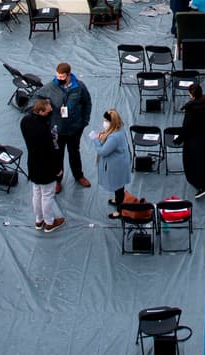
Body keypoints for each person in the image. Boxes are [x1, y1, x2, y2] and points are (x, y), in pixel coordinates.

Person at [20, 98, 65, 232]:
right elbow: (51, 151)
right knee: (47, 195)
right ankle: (50, 222)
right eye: (48, 110)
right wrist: (58, 169)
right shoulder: (43, 131)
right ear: (41, 111)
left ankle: (39, 220)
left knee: (36, 194)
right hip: (46, 168)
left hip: (33, 164)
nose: (51, 111)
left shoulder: (25, 122)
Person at [46, 62, 92, 192]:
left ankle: (78, 176)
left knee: (74, 153)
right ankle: (57, 180)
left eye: (62, 77)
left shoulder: (79, 87)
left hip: (74, 128)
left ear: (69, 75)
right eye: (57, 76)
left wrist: (85, 121)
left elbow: (87, 103)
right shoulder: (52, 87)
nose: (59, 79)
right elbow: (41, 99)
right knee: (57, 155)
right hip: (57, 129)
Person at [175, 82, 205, 198]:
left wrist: (179, 139)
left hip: (196, 140)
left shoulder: (192, 110)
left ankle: (201, 185)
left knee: (195, 163)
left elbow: (187, 127)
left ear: (192, 95)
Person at [94, 109, 131, 218]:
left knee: (119, 188)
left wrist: (96, 140)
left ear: (112, 122)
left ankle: (120, 210)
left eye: (106, 120)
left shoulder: (114, 137)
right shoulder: (119, 130)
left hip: (117, 167)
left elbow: (103, 151)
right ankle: (117, 200)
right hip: (120, 163)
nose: (104, 122)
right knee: (119, 186)